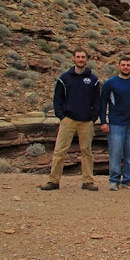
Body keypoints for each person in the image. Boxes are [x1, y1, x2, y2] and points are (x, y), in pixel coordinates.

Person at [41, 48, 100, 191]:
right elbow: (58, 99)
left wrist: (93, 117)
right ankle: (53, 181)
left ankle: (87, 181)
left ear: (86, 59)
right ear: (73, 58)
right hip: (68, 120)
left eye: (83, 57)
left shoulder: (93, 80)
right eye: (78, 57)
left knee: (86, 151)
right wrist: (61, 116)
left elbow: (97, 100)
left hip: (86, 121)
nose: (80, 59)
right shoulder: (64, 78)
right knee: (60, 150)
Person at [100, 57, 130, 191]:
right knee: (115, 153)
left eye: (128, 65)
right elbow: (103, 103)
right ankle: (114, 180)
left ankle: (128, 179)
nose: (126, 67)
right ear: (119, 66)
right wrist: (103, 121)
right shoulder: (111, 84)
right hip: (115, 124)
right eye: (123, 65)